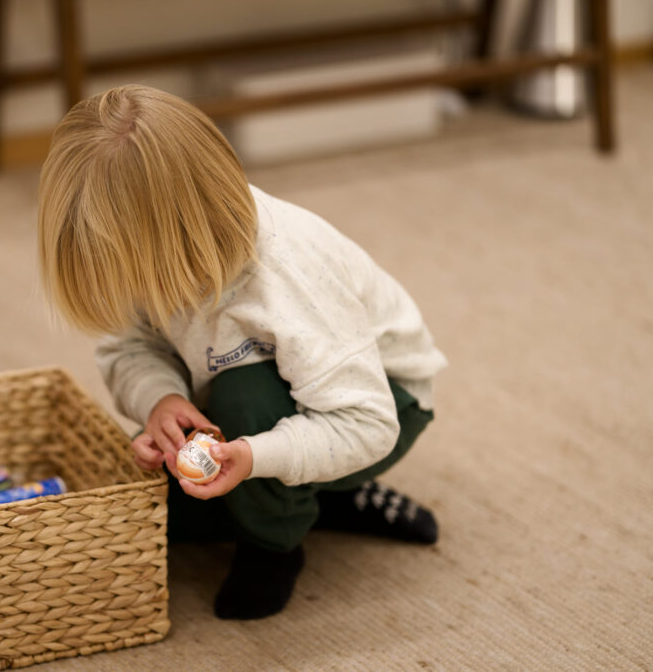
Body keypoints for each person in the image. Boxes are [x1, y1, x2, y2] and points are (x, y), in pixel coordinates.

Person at [37, 84, 448, 620]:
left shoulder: (288, 276)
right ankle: (328, 498)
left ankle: (276, 543)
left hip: (381, 403)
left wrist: (255, 456)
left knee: (244, 400)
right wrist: (160, 401)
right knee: (165, 507)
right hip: (289, 398)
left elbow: (369, 422)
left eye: (137, 278)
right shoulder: (150, 249)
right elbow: (127, 347)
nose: (134, 294)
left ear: (176, 243)